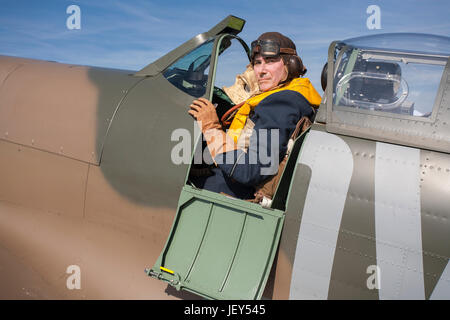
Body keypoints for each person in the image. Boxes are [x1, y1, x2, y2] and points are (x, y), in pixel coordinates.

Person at [188, 32, 322, 200]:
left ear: (291, 66)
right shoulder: (298, 97)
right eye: (257, 63)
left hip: (240, 191)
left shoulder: (281, 103)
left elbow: (250, 170)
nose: (261, 71)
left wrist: (211, 128)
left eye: (271, 61)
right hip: (241, 182)